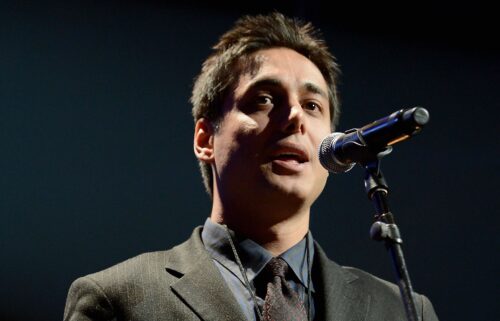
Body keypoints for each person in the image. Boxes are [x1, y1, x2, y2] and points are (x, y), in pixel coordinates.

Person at [63, 12, 439, 321]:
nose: (295, 117)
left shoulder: (404, 310)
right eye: (263, 99)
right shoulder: (119, 299)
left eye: (312, 105)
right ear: (205, 139)